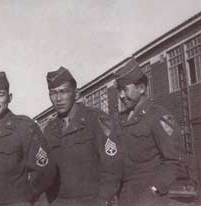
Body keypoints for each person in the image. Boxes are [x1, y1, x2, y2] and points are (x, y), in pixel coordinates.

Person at [0, 69, 54, 206]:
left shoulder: (25, 128)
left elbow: (45, 171)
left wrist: (26, 198)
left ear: (9, 97)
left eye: (0, 95)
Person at [43, 66, 122, 206]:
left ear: (76, 93)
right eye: (53, 93)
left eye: (63, 91)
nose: (58, 98)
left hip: (93, 201)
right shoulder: (50, 129)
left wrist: (103, 200)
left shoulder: (96, 119)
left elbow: (113, 167)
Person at [115, 58, 188, 206]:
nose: (121, 95)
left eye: (125, 90)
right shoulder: (121, 119)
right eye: (119, 90)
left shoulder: (157, 115)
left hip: (150, 199)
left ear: (141, 88)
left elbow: (174, 160)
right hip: (125, 196)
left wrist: (155, 188)